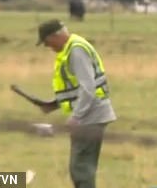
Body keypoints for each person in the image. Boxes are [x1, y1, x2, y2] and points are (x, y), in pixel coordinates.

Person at [35, 19, 117, 188]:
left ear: (55, 36)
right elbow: (77, 88)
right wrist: (54, 104)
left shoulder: (76, 51)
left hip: (90, 117)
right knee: (81, 167)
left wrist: (76, 117)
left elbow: (88, 89)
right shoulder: (72, 48)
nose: (47, 47)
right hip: (91, 115)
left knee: (80, 168)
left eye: (47, 42)